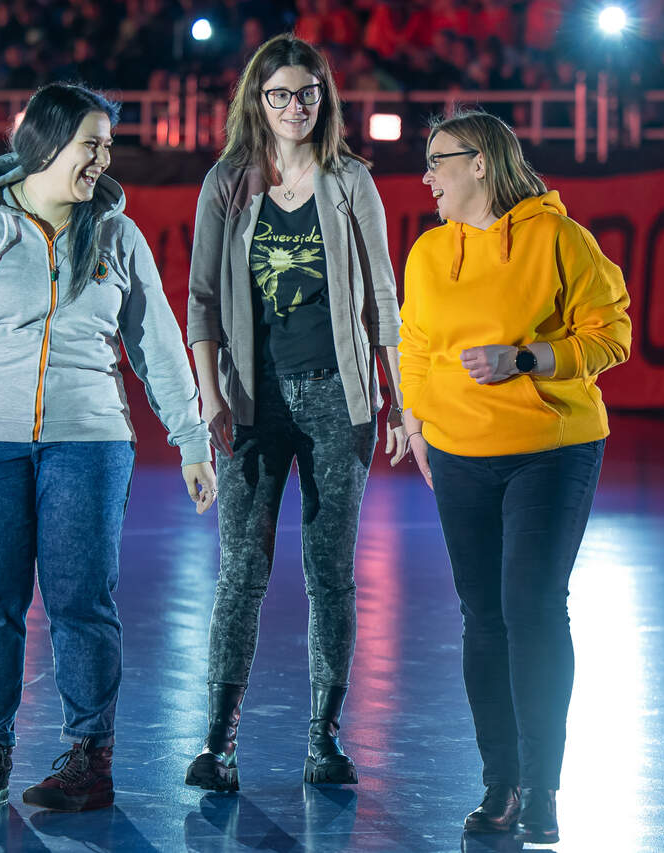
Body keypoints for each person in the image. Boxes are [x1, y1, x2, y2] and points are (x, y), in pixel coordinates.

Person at [0, 83, 216, 813]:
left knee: (81, 602)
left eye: (108, 145)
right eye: (90, 144)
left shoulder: (118, 237)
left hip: (89, 445)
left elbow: (157, 346)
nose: (103, 159)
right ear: (44, 145)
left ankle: (89, 759)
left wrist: (191, 439)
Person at [398, 110, 630, 844]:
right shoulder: (429, 252)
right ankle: (503, 784)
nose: (426, 177)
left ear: (480, 163)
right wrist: (415, 421)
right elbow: (415, 344)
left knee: (531, 605)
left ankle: (543, 786)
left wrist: (526, 358)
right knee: (484, 617)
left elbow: (612, 335)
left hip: (550, 448)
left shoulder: (559, 237)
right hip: (457, 453)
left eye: (438, 161)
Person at [183, 34, 407, 793]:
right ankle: (218, 743)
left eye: (306, 93)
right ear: (258, 99)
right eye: (278, 94)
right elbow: (202, 299)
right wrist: (211, 393)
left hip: (339, 400)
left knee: (330, 574)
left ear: (324, 98)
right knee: (240, 574)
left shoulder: (351, 182)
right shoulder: (226, 182)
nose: (293, 107)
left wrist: (398, 400)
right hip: (252, 400)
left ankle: (324, 739)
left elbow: (382, 298)